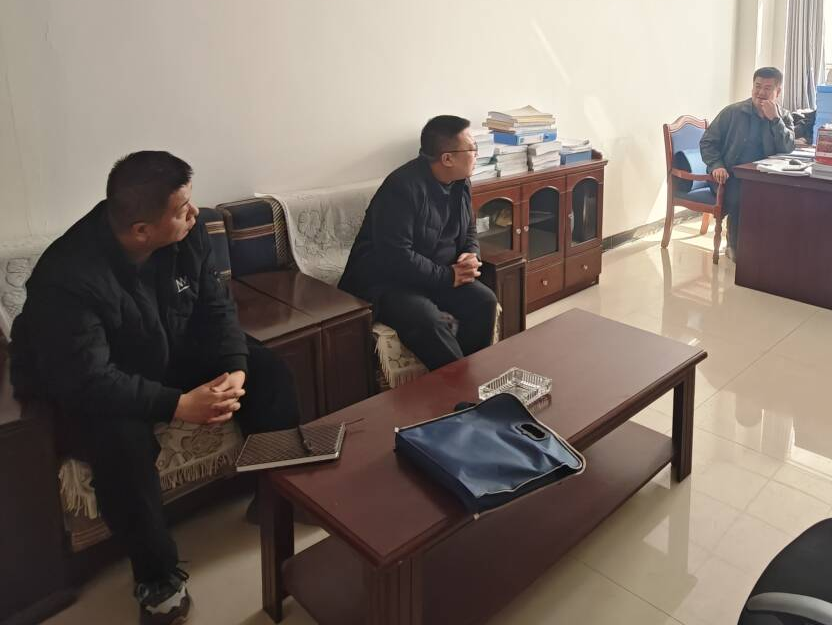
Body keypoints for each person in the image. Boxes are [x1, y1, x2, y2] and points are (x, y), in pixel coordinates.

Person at [9, 151, 300, 625]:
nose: (195, 212)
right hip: (86, 381)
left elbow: (216, 308)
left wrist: (235, 368)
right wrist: (178, 404)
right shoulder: (66, 277)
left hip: (160, 346)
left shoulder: (187, 237)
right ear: (142, 229)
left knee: (267, 371)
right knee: (121, 442)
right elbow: (87, 380)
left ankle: (276, 496)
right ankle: (157, 577)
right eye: (182, 208)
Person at [339, 115, 497, 370]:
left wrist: (471, 253)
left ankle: (471, 370)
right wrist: (449, 276)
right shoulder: (401, 188)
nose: (477, 155)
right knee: (429, 321)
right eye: (473, 149)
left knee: (484, 302)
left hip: (437, 272)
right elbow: (396, 257)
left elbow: (468, 227)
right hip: (390, 281)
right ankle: (459, 386)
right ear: (447, 158)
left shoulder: (461, 181)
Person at [701, 67, 796, 256]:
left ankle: (768, 248)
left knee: (787, 199)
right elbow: (707, 142)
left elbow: (788, 147)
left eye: (767, 88)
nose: (761, 93)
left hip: (767, 178)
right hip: (730, 177)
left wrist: (775, 120)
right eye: (757, 86)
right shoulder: (733, 112)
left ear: (778, 91)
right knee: (744, 197)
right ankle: (735, 247)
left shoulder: (783, 116)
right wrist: (716, 165)